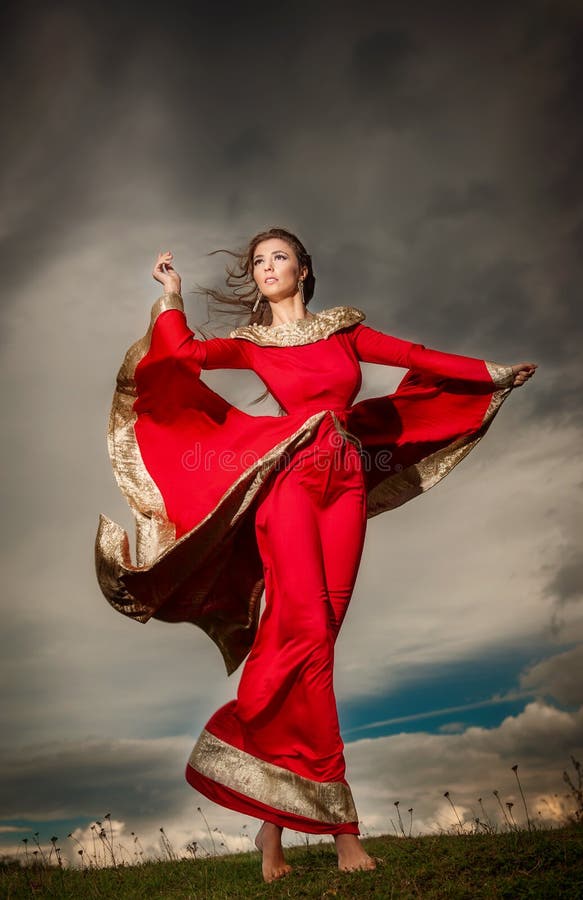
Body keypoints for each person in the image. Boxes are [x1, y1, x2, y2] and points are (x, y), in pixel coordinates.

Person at [95, 228, 536, 882]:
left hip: (345, 486)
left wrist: (490, 373)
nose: (266, 267)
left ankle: (268, 837)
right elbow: (182, 354)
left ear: (303, 269)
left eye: (278, 257)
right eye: (257, 262)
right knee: (305, 638)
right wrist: (171, 297)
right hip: (291, 486)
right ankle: (343, 833)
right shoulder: (252, 342)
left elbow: (415, 355)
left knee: (307, 642)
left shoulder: (345, 332)